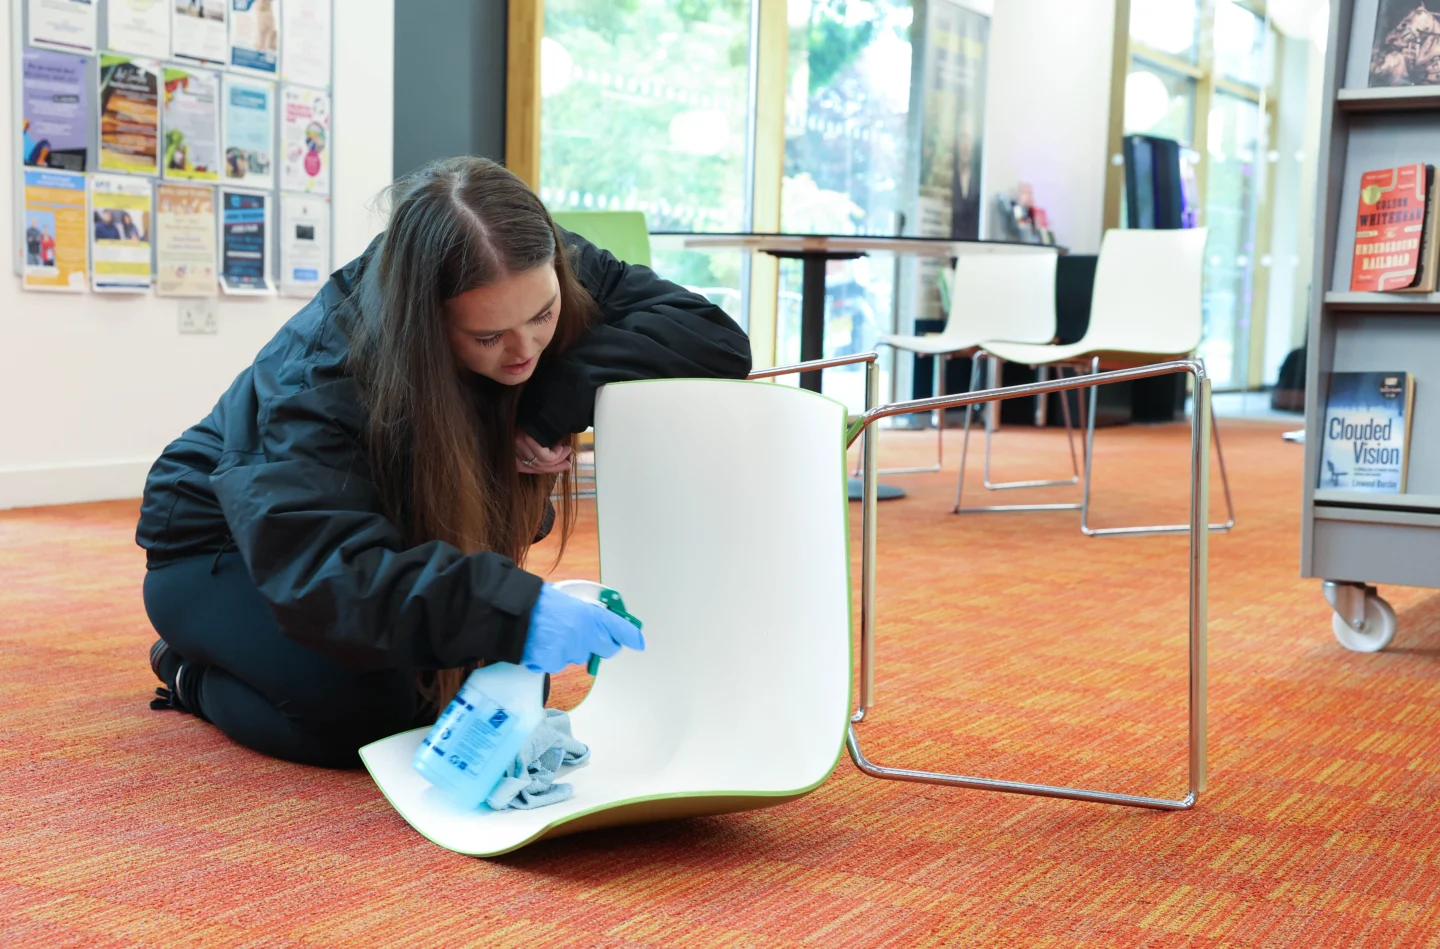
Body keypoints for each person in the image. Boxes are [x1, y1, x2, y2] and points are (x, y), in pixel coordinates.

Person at [137, 156, 751, 768]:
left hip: (371, 532)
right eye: (488, 338)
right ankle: (187, 669)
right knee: (364, 712)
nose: (525, 350)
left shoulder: (538, 262)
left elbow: (712, 336)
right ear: (426, 323)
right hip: (221, 547)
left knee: (484, 692)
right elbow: (328, 574)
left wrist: (545, 405)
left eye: (543, 316)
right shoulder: (318, 375)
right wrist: (518, 609)